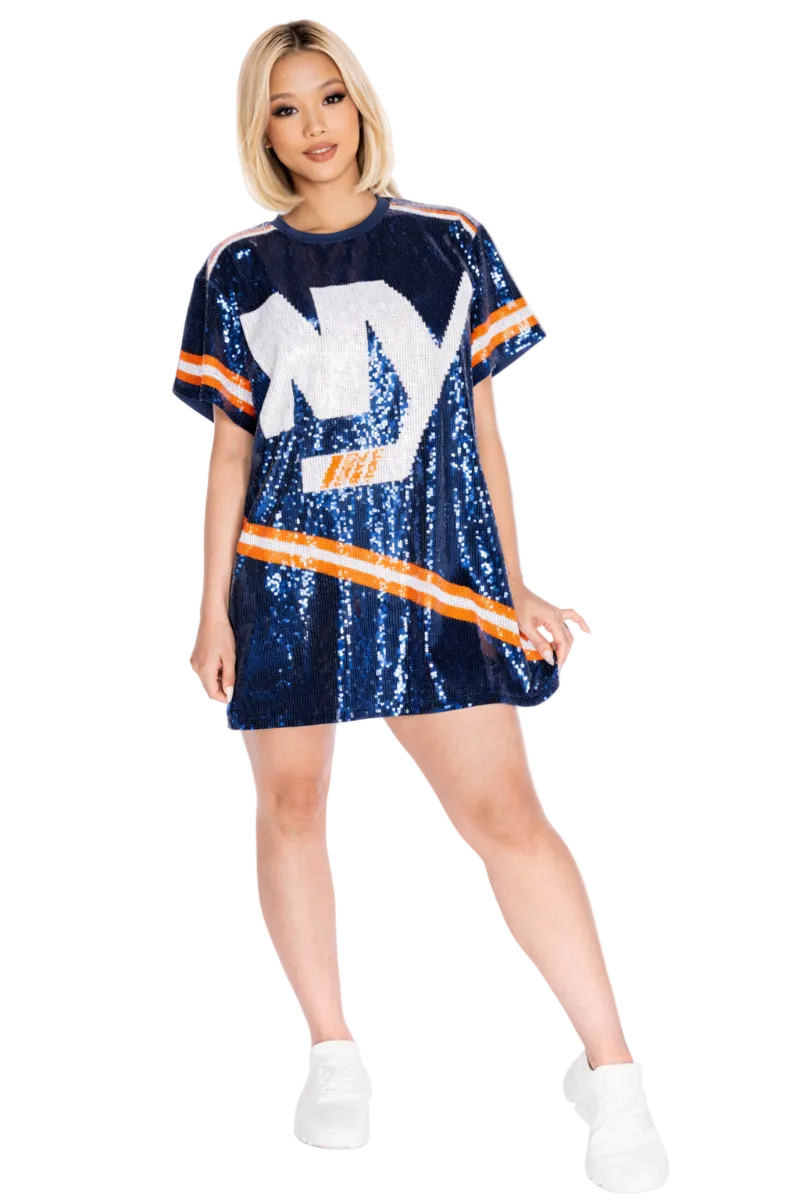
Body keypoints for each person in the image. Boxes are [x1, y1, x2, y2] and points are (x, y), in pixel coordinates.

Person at [172, 18, 669, 1193]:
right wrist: (211, 612)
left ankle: (611, 1070)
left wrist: (508, 581)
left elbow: (480, 435)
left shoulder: (450, 241)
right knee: (291, 807)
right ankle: (331, 1050)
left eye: (329, 97)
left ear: (360, 104)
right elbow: (230, 454)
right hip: (285, 579)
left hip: (429, 581)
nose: (313, 126)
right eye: (285, 108)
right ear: (261, 131)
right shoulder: (236, 270)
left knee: (506, 817)